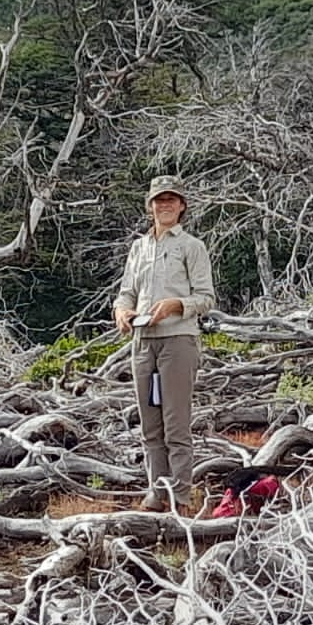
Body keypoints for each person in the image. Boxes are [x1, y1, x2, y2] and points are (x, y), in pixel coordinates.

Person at [112, 175, 216, 512]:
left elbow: (206, 297)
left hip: (178, 340)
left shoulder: (191, 247)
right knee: (149, 422)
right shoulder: (139, 248)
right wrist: (121, 311)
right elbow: (127, 291)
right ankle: (156, 492)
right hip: (143, 342)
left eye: (171, 199)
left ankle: (180, 496)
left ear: (182, 205)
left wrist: (175, 305)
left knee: (176, 422)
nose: (165, 204)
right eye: (159, 199)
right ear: (150, 206)